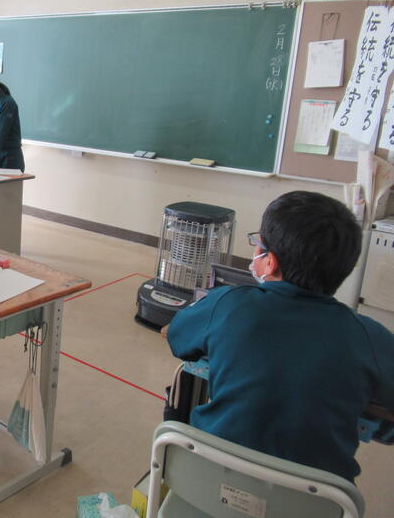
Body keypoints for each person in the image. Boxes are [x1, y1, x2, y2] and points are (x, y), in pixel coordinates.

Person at [166, 191, 394, 482]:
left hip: (206, 479)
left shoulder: (227, 304)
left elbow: (177, 337)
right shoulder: (370, 337)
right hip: (316, 498)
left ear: (269, 262)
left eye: (258, 244)